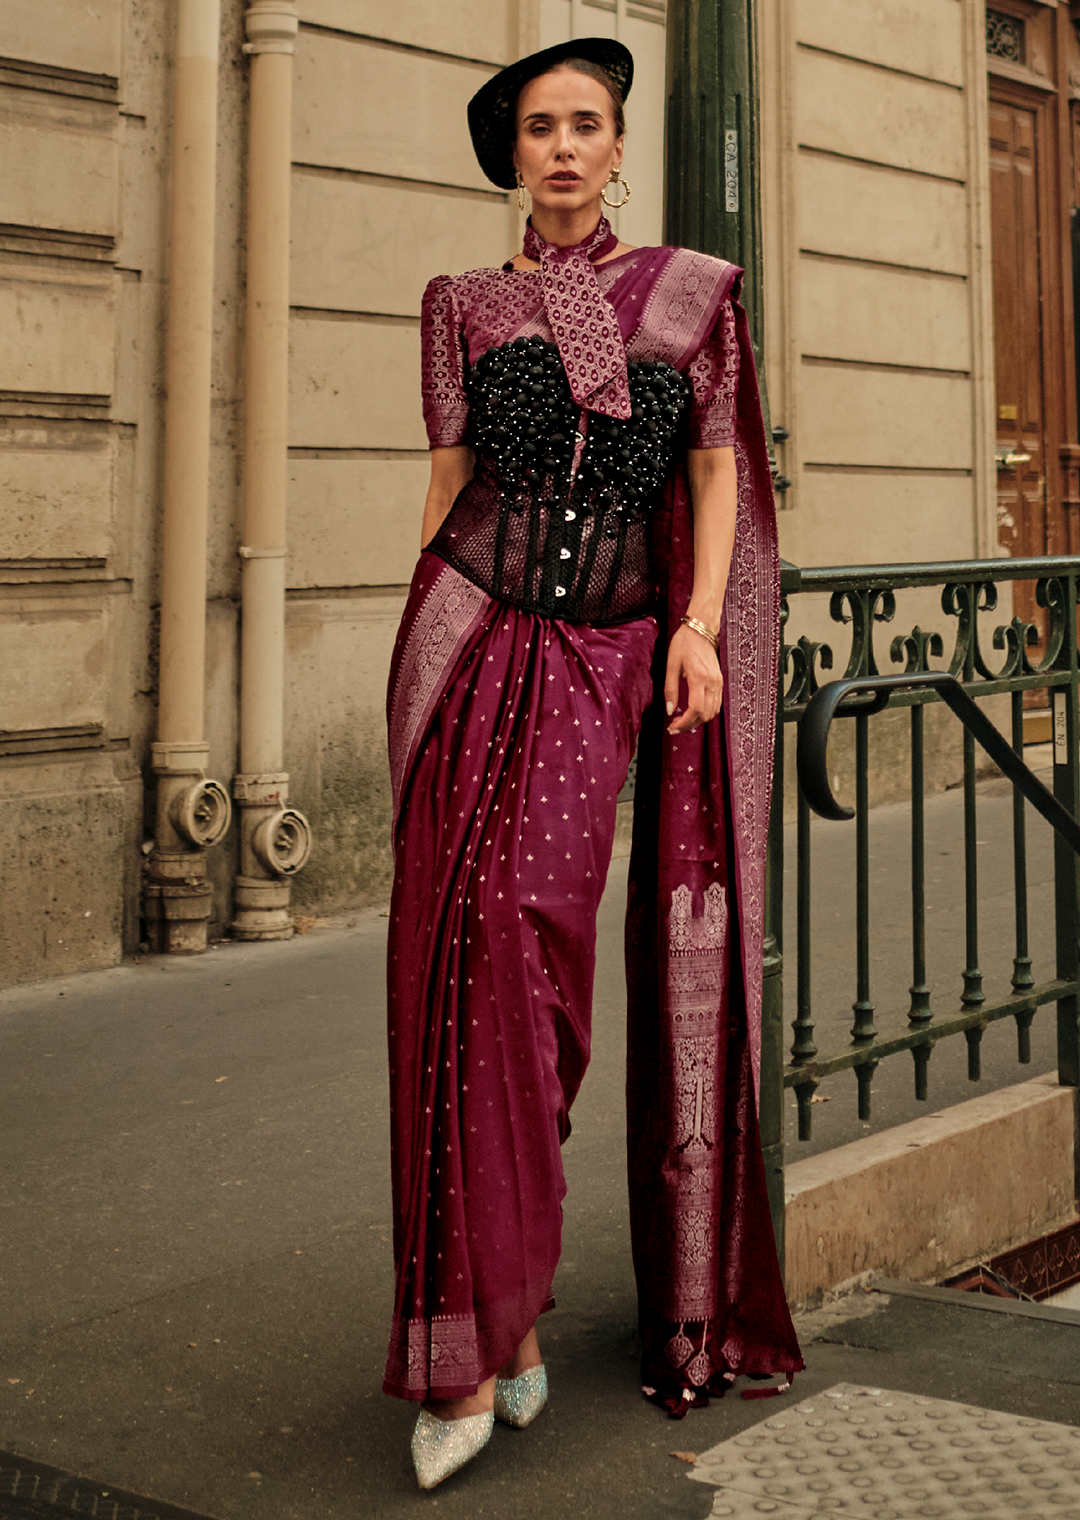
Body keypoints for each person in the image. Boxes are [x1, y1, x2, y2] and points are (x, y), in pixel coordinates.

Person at [383, 38, 802, 1490]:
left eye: (586, 125)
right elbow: (447, 488)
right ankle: (480, 1345)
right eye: (537, 129)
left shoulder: (692, 298)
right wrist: (418, 654)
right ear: (510, 155)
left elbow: (712, 475)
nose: (562, 147)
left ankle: (516, 1298)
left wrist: (696, 628)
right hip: (471, 637)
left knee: (534, 956)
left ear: (621, 147)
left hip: (605, 652)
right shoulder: (461, 306)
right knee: (455, 971)